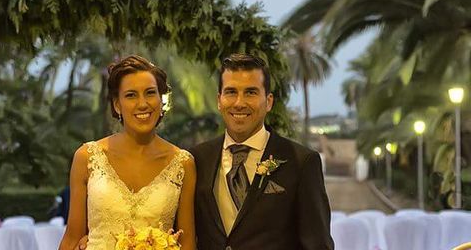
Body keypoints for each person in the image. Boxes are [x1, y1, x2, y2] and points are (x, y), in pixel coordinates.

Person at [191, 53, 334, 250]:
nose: (239, 103)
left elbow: (318, 245)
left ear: (268, 101)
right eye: (231, 92)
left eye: (250, 92)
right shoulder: (197, 159)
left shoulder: (302, 162)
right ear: (219, 100)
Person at [58, 55, 197, 250]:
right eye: (131, 95)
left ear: (161, 99)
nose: (142, 104)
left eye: (150, 93)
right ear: (117, 104)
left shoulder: (183, 164)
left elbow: (188, 242)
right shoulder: (87, 157)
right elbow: (72, 238)